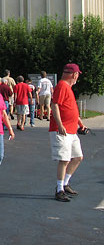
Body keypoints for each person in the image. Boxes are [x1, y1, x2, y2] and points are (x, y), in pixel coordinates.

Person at [50, 63, 88, 202]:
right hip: (62, 130)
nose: (77, 77)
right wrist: (60, 125)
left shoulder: (68, 88)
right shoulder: (62, 86)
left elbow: (70, 108)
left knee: (78, 157)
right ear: (74, 74)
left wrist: (80, 123)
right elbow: (55, 105)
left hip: (71, 130)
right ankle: (59, 189)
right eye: (77, 74)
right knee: (64, 160)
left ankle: (65, 184)